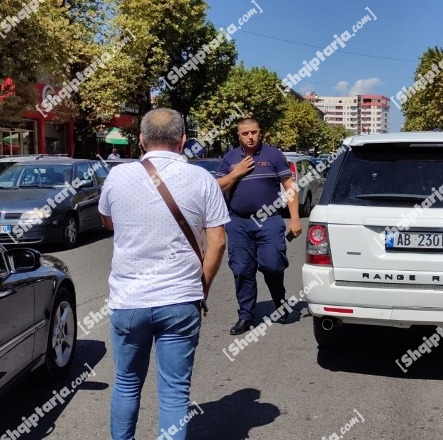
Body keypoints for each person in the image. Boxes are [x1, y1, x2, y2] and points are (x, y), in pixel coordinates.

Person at [99, 108, 229, 440]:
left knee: (127, 383)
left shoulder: (117, 176)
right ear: (183, 140)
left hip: (129, 301)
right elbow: (217, 240)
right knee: (174, 392)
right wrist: (204, 286)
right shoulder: (202, 179)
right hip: (181, 300)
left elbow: (108, 222)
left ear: (141, 141)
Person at [216, 118, 302, 335]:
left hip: (269, 219)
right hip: (239, 222)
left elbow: (289, 186)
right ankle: (245, 315)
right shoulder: (230, 158)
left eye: (254, 132)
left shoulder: (273, 155)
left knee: (273, 264)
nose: (251, 136)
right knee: (242, 269)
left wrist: (294, 219)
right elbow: (218, 187)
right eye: (245, 133)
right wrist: (236, 173)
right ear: (239, 135)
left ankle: (279, 299)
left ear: (260, 132)